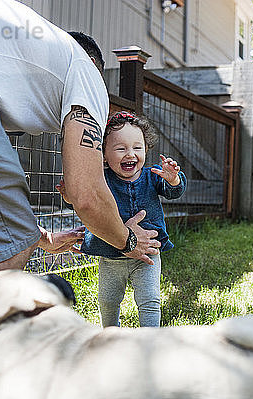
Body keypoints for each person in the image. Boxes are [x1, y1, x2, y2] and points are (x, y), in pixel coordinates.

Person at [0, 1, 161, 398]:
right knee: (1, 256)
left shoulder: (15, 60)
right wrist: (126, 240)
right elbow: (85, 194)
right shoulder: (84, 71)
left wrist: (40, 236)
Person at [58, 111, 186, 328]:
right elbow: (87, 200)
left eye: (137, 148)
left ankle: (151, 338)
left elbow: (173, 192)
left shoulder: (152, 175)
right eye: (120, 148)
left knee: (150, 300)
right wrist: (69, 195)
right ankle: (110, 334)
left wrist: (173, 179)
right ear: (104, 155)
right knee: (108, 301)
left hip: (147, 255)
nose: (130, 154)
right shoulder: (101, 179)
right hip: (110, 256)